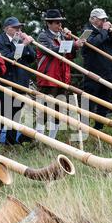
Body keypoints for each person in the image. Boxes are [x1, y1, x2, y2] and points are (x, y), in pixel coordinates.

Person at [0, 17, 36, 149]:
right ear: (6, 28)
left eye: (19, 28)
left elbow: (32, 57)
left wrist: (27, 44)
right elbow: (8, 59)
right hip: (7, 82)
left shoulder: (20, 40)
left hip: (21, 82)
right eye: (15, 28)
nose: (18, 30)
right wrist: (23, 45)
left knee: (15, 115)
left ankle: (10, 143)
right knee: (1, 116)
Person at [36, 9, 84, 139]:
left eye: (60, 23)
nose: (60, 26)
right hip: (48, 78)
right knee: (44, 111)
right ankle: (39, 139)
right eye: (57, 23)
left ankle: (52, 139)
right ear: (49, 24)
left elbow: (70, 55)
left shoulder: (62, 36)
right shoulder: (43, 36)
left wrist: (74, 45)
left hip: (62, 78)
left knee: (58, 111)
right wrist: (72, 44)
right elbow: (52, 51)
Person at [81, 8, 112, 130]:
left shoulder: (106, 31)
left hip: (107, 71)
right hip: (92, 72)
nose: (104, 21)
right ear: (93, 19)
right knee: (88, 102)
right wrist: (104, 31)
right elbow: (92, 44)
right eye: (101, 19)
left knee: (104, 103)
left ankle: (99, 129)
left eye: (105, 19)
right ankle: (83, 129)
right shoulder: (87, 30)